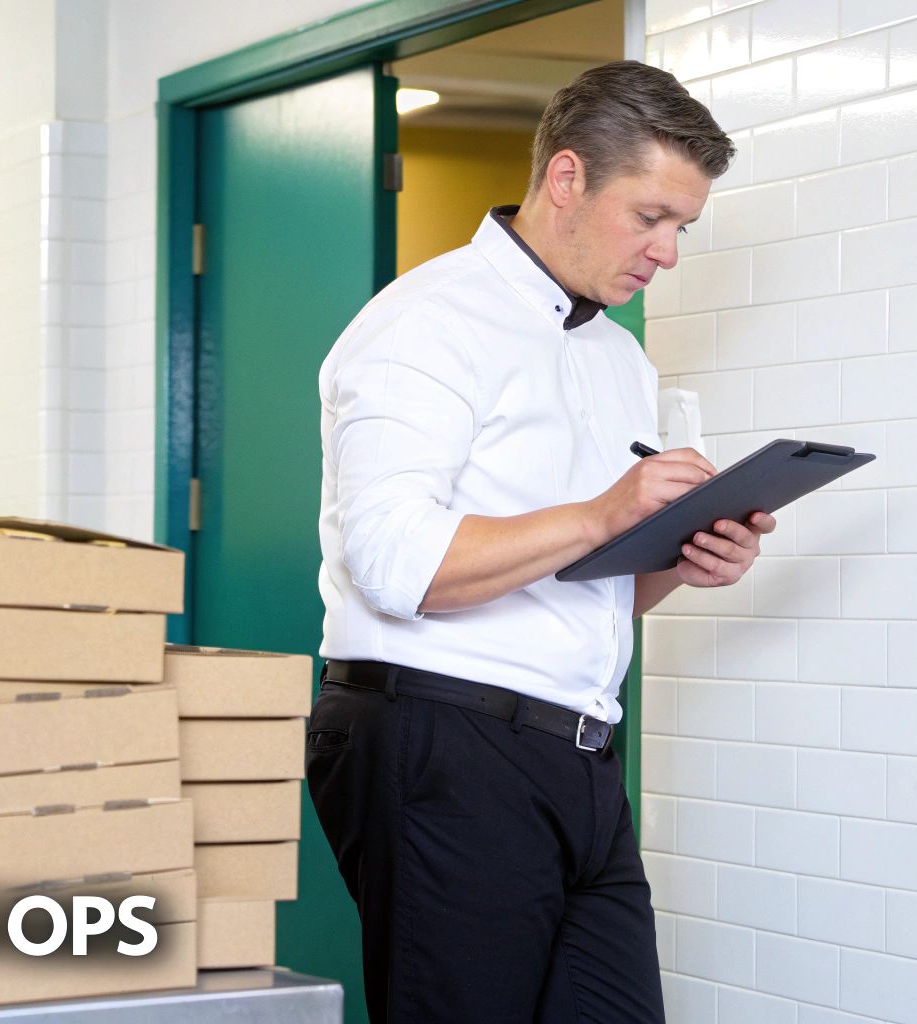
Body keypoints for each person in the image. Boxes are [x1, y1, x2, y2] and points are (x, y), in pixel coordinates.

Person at [307, 60, 777, 1023]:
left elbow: (590, 582)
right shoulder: (423, 324)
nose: (668, 253)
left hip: (580, 756)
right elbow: (396, 565)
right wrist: (607, 513)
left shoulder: (622, 360)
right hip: (439, 744)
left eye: (683, 227)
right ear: (566, 178)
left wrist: (680, 559)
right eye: (650, 217)